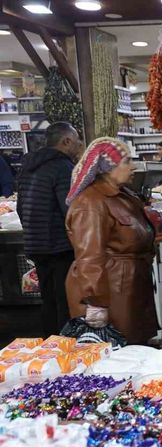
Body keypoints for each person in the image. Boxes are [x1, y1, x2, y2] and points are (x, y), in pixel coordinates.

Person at [65, 138, 157, 344]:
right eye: (126, 161)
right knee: (119, 352)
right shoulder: (91, 203)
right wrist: (96, 303)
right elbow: (89, 258)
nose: (133, 166)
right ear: (106, 168)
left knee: (136, 348)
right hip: (112, 293)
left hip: (129, 287)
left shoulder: (122, 196)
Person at [16, 122, 84, 335]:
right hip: (59, 245)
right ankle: (66, 345)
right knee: (65, 299)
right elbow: (70, 210)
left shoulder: (28, 166)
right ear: (66, 141)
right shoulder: (63, 167)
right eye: (76, 141)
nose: (79, 146)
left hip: (36, 244)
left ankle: (50, 344)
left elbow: (20, 207)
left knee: (48, 300)